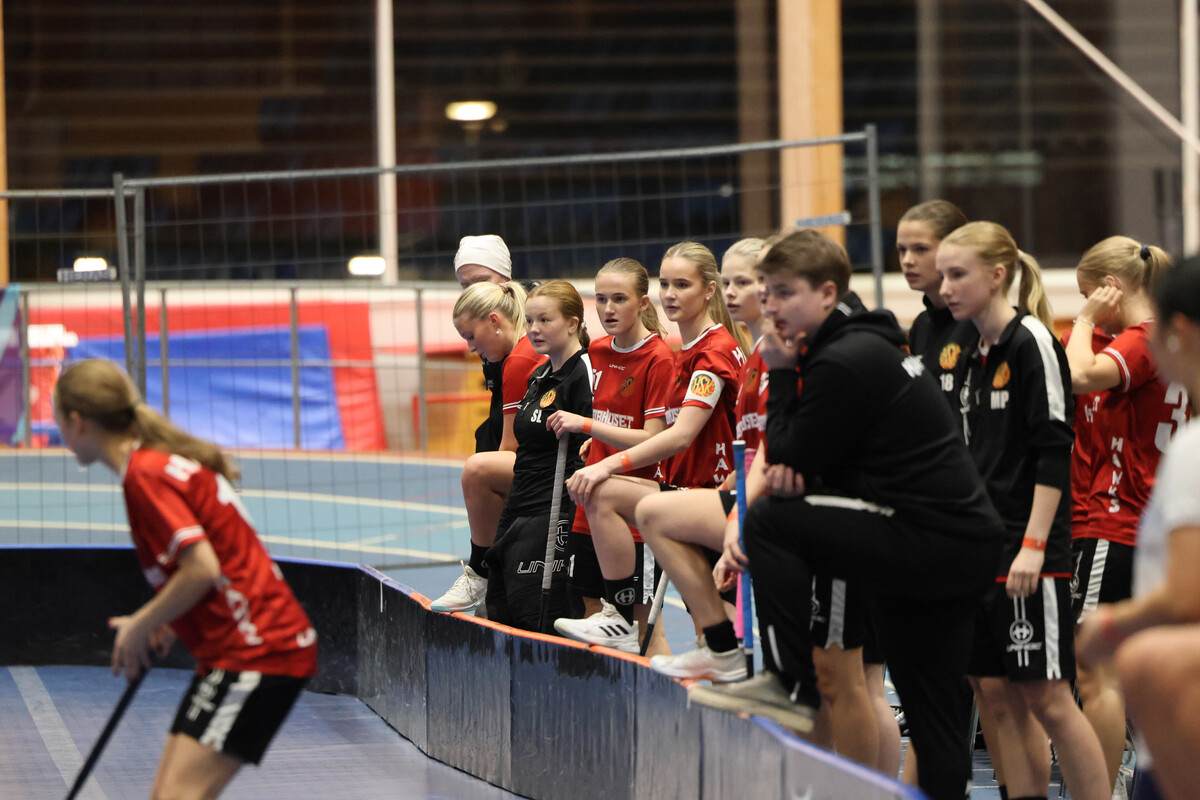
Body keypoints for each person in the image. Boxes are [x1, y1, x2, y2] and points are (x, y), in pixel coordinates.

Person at [685, 229, 1003, 800]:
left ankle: (789, 684)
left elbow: (789, 453)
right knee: (932, 715)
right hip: (950, 543)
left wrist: (783, 371)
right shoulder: (858, 346)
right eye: (767, 291)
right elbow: (801, 455)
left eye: (785, 293)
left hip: (930, 540)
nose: (771, 306)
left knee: (769, 519)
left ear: (828, 294)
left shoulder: (843, 360)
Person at [53, 359, 318, 800]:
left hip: (259, 650)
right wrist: (170, 620)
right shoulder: (154, 464)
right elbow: (219, 563)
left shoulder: (144, 475)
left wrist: (141, 624)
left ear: (77, 422)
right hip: (237, 649)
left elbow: (202, 567)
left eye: (59, 421)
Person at [936, 221, 1110, 800]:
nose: (946, 287)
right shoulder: (964, 349)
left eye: (957, 274)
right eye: (943, 275)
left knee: (1049, 698)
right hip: (976, 551)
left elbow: (1054, 451)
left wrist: (1033, 546)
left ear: (997, 275)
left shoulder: (1032, 342)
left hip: (1029, 551)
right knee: (995, 694)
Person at [551, 242, 750, 653]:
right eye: (666, 284)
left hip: (714, 499)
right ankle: (620, 616)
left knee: (722, 645)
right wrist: (599, 443)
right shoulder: (686, 351)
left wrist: (609, 464)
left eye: (683, 285)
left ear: (709, 290)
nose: (670, 294)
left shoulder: (711, 353)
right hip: (689, 496)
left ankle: (621, 616)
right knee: (712, 644)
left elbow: (679, 436)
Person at [1075, 257, 1200, 800]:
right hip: (1132, 524)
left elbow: (1186, 596)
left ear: (1179, 332)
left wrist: (1111, 625)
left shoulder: (1135, 341)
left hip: (1117, 522)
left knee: (1104, 671)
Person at [543, 258, 675, 637]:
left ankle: (652, 679)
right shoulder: (598, 351)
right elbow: (615, 421)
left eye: (619, 298)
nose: (608, 309)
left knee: (642, 628)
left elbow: (654, 438)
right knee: (594, 618)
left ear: (643, 303)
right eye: (601, 299)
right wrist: (597, 441)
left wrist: (586, 425)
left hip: (635, 508)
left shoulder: (659, 358)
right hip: (591, 500)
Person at [484, 280, 593, 632]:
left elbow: (588, 451)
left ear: (573, 323)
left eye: (545, 320)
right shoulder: (539, 375)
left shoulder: (584, 372)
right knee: (499, 608)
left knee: (538, 619)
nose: (534, 329)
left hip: (553, 511)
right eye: (530, 321)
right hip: (519, 506)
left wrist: (572, 524)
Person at [431, 281, 545, 613]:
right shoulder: (525, 351)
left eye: (470, 336)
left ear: (494, 320)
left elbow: (511, 448)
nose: (470, 348)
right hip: (559, 460)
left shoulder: (519, 359)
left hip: (554, 470)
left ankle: (480, 572)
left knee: (478, 471)